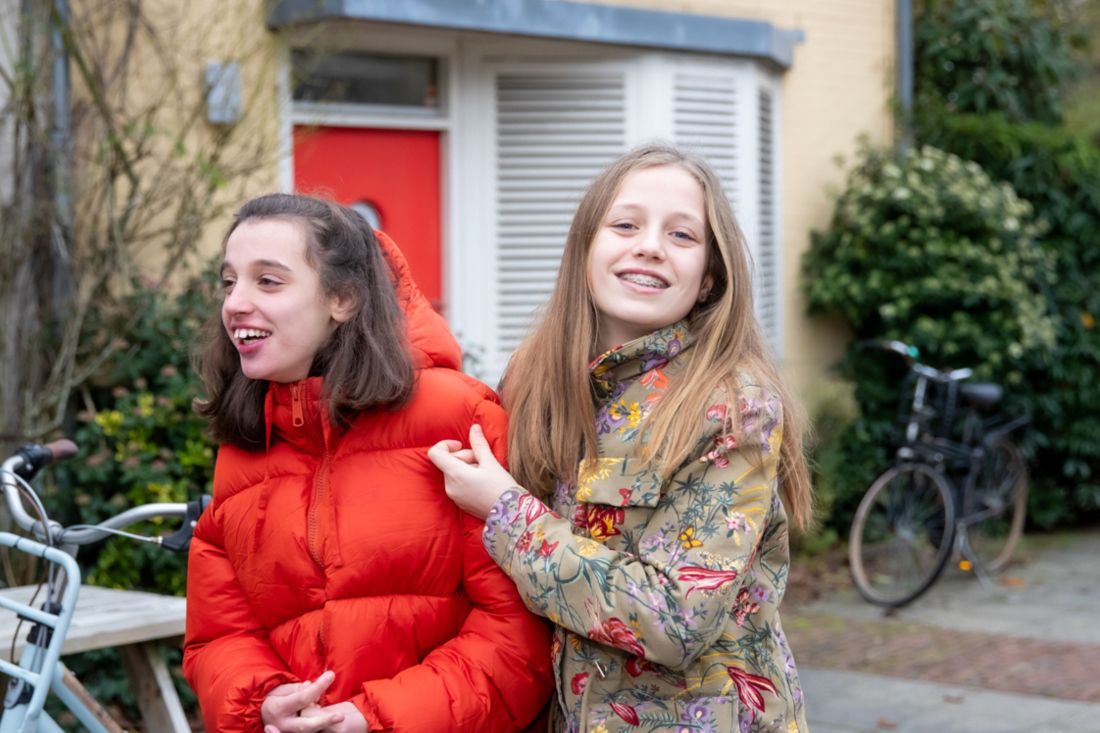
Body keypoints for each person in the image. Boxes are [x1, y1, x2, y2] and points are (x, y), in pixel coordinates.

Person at [429, 144, 813, 733]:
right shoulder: (533, 376)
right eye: (626, 224)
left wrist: (506, 512)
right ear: (586, 246)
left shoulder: (732, 405)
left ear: (710, 277)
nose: (650, 245)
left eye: (682, 236)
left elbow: (676, 620)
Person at [183, 193, 553, 733]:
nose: (235, 302)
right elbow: (217, 636)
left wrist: (376, 719)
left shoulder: (458, 417)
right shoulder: (245, 448)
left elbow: (519, 635)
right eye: (229, 281)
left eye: (268, 281)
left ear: (344, 298)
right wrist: (261, 703)